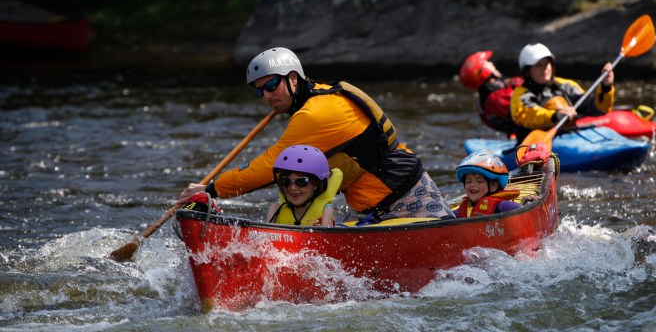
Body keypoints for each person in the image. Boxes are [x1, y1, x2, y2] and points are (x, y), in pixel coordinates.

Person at [178, 47, 455, 223]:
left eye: (272, 84)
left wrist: (212, 189)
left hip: (408, 201)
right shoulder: (319, 96)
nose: (266, 95)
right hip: (373, 208)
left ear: (293, 79)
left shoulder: (314, 114)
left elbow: (269, 166)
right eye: (259, 90)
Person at [510, 43, 615, 144]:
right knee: (555, 103)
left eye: (547, 63)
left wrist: (606, 87)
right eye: (538, 65)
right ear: (527, 71)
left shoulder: (565, 86)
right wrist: (555, 116)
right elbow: (529, 115)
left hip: (568, 136)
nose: (545, 68)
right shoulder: (521, 94)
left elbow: (599, 109)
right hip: (535, 144)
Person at [266, 145, 342, 226]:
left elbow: (327, 238)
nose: (292, 188)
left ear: (315, 185)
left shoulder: (326, 210)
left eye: (301, 182)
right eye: (286, 181)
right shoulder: (275, 210)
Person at [459, 50, 524, 137]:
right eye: (487, 62)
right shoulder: (496, 98)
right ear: (483, 72)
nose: (491, 63)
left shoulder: (491, 94)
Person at [452, 152, 522, 218]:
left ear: (494, 186)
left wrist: (524, 204)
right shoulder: (463, 209)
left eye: (479, 181)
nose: (472, 185)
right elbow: (448, 218)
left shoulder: (501, 205)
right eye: (468, 181)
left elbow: (519, 209)